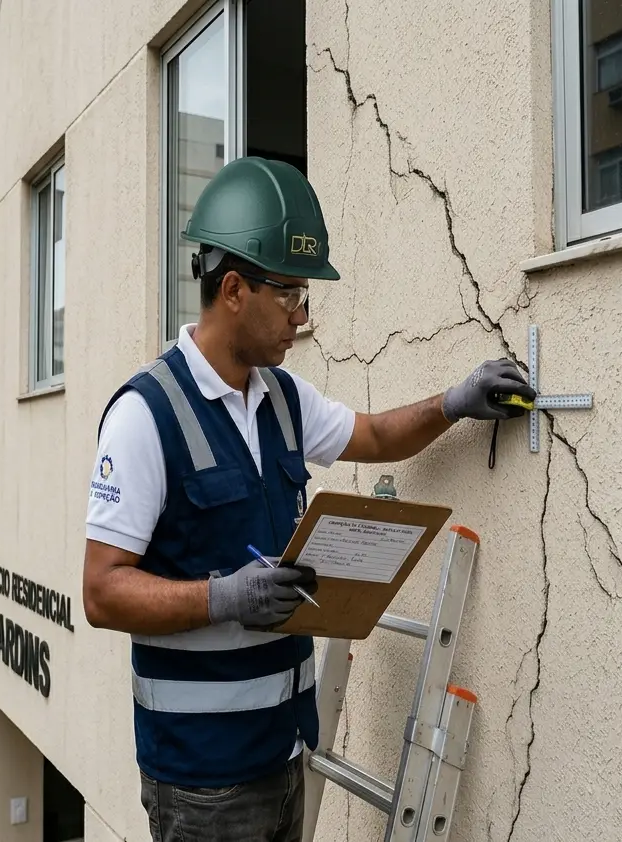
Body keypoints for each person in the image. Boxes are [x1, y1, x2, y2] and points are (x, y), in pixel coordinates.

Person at [82, 156, 534, 842]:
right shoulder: (147, 415)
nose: (302, 314)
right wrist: (223, 597)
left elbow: (377, 435)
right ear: (234, 289)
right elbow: (101, 592)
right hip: (203, 783)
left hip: (287, 753)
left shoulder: (283, 400)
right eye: (291, 293)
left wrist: (455, 402)